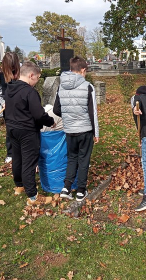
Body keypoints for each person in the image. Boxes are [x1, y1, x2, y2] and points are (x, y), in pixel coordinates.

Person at [4, 61, 55, 206]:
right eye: (37, 78)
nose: (37, 81)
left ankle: (19, 185)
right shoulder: (29, 92)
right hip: (27, 131)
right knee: (29, 162)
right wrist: (50, 121)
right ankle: (33, 196)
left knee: (17, 157)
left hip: (12, 129)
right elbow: (39, 114)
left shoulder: (10, 88)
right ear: (31, 75)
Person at [53, 55, 99, 202]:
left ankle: (66, 188)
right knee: (84, 160)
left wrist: (68, 116)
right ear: (83, 70)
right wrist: (96, 132)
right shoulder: (88, 87)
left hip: (70, 131)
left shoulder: (61, 86)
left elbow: (56, 109)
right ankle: (80, 190)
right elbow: (93, 112)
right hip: (85, 130)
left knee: (72, 158)